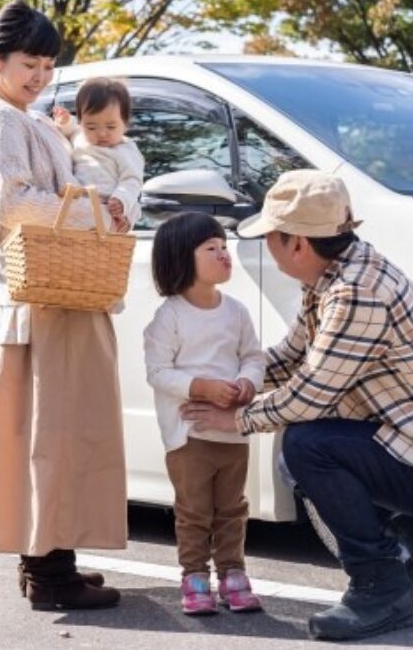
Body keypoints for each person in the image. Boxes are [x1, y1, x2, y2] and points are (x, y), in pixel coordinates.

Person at [183, 170, 413, 641]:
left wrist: (235, 418)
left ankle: (379, 586)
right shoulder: (338, 271)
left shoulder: (355, 293)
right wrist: (241, 382)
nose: (266, 249)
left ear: (297, 243)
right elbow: (296, 353)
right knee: (320, 433)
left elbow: (312, 393)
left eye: (271, 238)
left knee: (306, 444)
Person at [0, 0, 127, 612]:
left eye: (47, 64)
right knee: (53, 432)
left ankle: (51, 562)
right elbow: (16, 205)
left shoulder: (23, 117)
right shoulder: (0, 121)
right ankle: (48, 569)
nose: (38, 75)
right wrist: (94, 211)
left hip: (55, 292)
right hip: (45, 298)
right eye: (28, 63)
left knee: (56, 431)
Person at [143, 212, 266, 615]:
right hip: (189, 434)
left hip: (233, 432)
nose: (223, 255)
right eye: (211, 249)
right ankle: (194, 576)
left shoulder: (236, 311)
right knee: (194, 510)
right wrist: (201, 388)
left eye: (224, 247)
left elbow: (253, 356)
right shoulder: (170, 316)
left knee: (233, 508)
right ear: (181, 258)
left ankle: (233, 573)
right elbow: (158, 372)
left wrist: (248, 383)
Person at [51, 78, 143, 233]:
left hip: (108, 207)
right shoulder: (80, 136)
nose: (101, 133)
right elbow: (70, 131)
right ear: (81, 122)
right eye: (91, 127)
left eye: (111, 126)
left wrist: (121, 200)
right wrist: (64, 122)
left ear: (125, 124)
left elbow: (132, 180)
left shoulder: (126, 150)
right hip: (77, 207)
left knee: (129, 211)